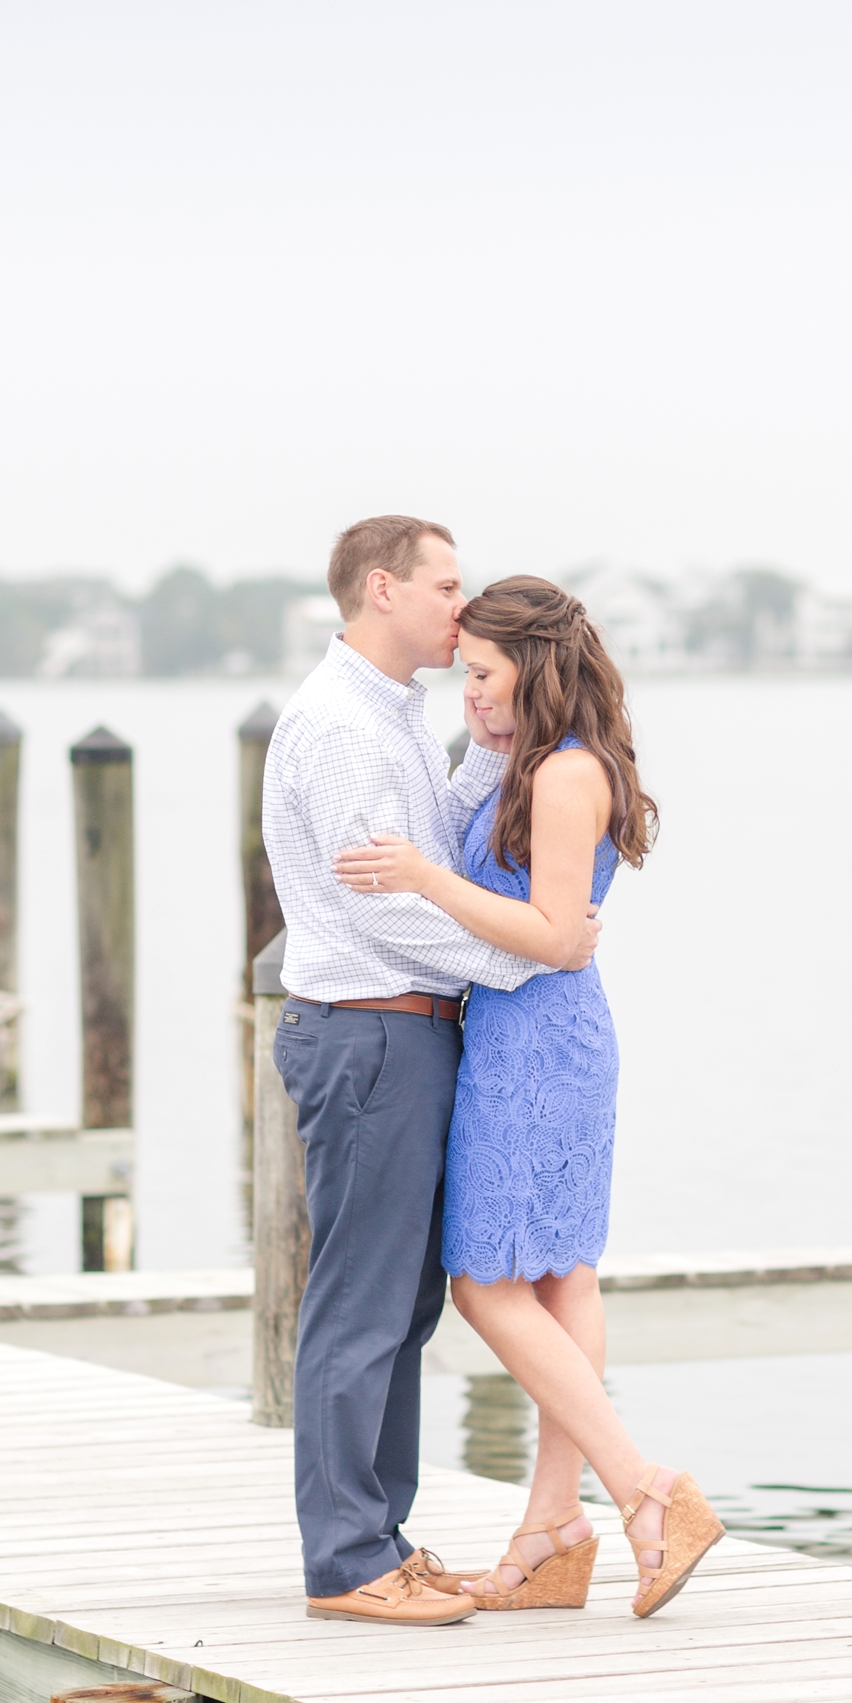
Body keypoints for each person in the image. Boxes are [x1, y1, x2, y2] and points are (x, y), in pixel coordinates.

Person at [333, 575, 724, 1618]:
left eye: (484, 674)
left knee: (486, 1284)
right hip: (540, 1036)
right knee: (560, 1281)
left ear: (534, 671)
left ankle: (645, 1490)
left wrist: (424, 878)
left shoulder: (562, 778)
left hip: (535, 1047)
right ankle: (550, 1534)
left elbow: (553, 936)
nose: (470, 691)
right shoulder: (538, 765)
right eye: (466, 673)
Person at [261, 518, 602, 1628]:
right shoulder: (345, 728)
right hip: (365, 1028)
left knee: (400, 1305)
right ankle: (348, 1561)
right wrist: (524, 956)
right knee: (361, 1303)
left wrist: (492, 754)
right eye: (446, 586)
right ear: (381, 588)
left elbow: (436, 858)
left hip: (402, 1030)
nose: (462, 610)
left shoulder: (390, 716)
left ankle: (383, 1540)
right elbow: (390, 902)